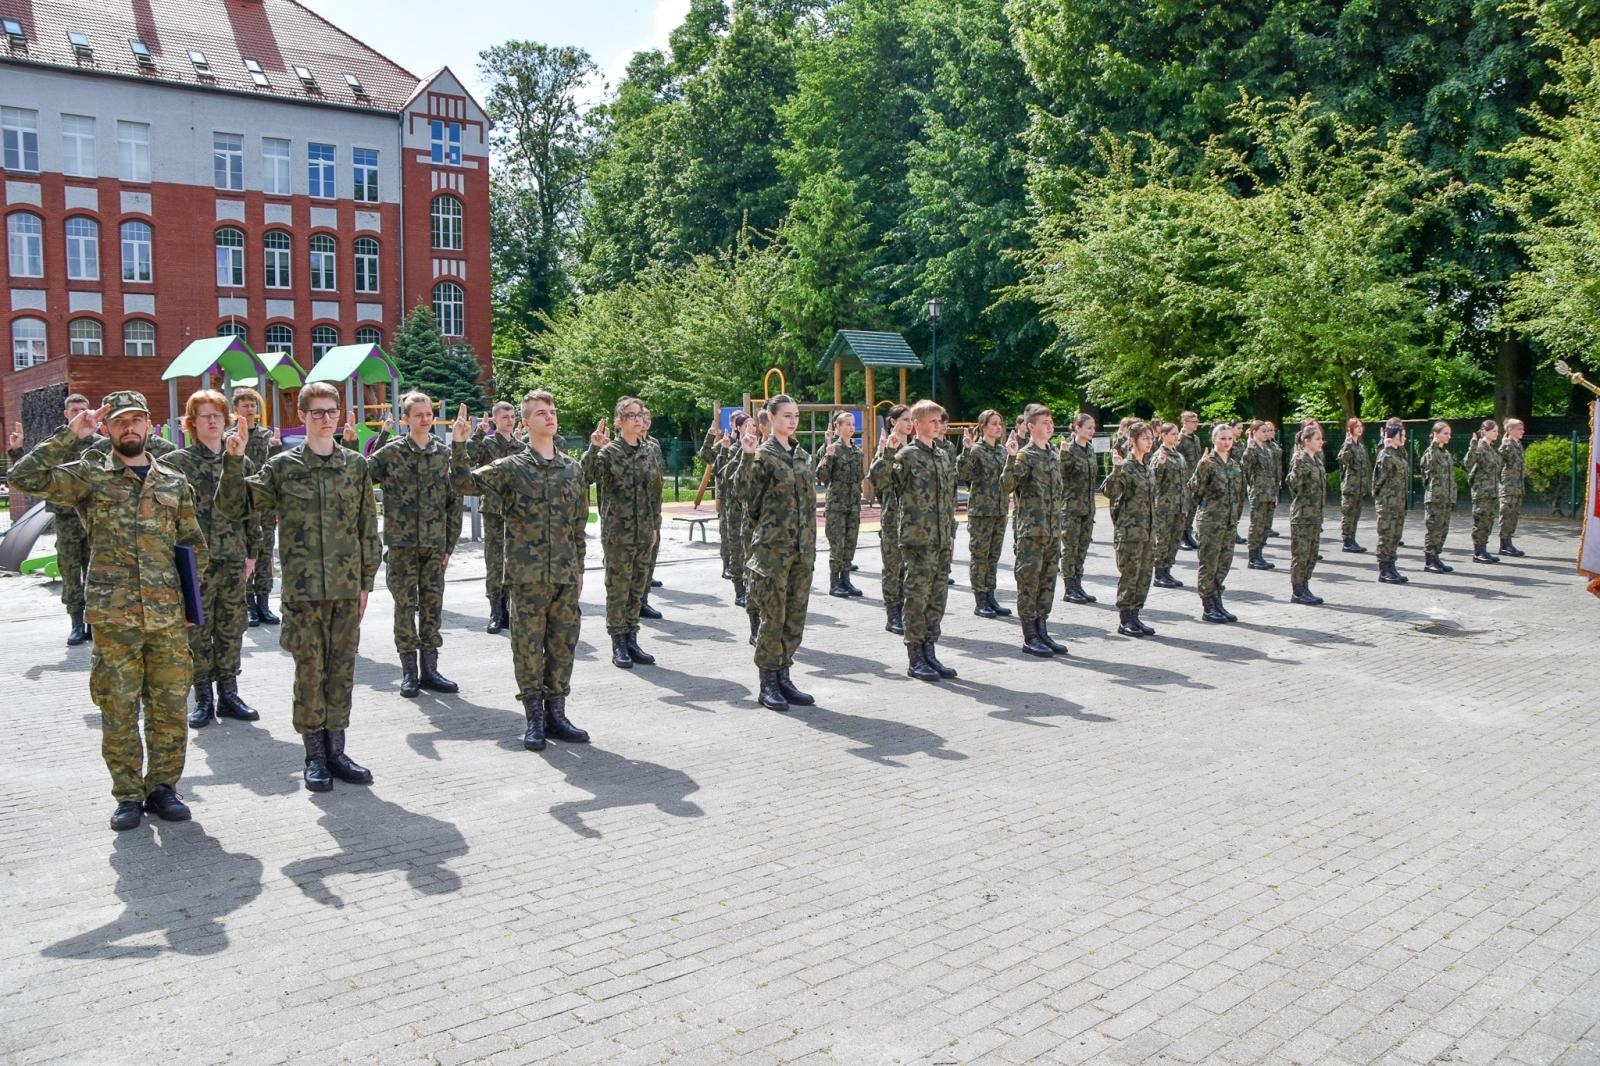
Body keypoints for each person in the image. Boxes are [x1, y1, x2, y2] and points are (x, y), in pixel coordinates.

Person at [11, 390, 206, 831]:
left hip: (167, 619)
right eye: (120, 422)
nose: (130, 428)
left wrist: (192, 603)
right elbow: (23, 477)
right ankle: (127, 795)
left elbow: (193, 547)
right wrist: (70, 434)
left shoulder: (174, 482)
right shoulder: (90, 477)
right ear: (107, 427)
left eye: (137, 420)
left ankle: (163, 788)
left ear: (149, 424)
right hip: (114, 617)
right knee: (118, 708)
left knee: (170, 708)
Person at [218, 381, 382, 793]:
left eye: (331, 412)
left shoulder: (355, 465)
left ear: (340, 415)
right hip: (304, 590)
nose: (325, 419)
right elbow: (235, 506)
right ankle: (314, 756)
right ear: (302, 417)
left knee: (342, 670)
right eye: (317, 413)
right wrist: (233, 462)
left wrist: (366, 582)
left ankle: (336, 750)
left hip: (346, 589)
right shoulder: (283, 466)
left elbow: (367, 526)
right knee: (310, 671)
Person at [451, 391, 590, 751]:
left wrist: (580, 567)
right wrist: (459, 445)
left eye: (553, 411)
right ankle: (534, 719)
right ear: (526, 424)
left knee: (562, 647)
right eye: (541, 413)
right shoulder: (513, 467)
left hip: (563, 574)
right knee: (527, 649)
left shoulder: (572, 469)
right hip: (526, 577)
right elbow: (464, 483)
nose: (549, 417)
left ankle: (557, 713)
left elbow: (578, 524)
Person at [164, 391, 261, 727]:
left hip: (233, 556)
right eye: (204, 416)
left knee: (232, 627)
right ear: (192, 423)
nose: (212, 421)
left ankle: (229, 694)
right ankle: (203, 697)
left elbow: (251, 512)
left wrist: (252, 553)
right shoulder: (178, 463)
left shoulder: (240, 460)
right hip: (195, 562)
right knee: (198, 629)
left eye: (218, 415)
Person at [368, 392, 463, 697]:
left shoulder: (443, 454)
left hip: (434, 546)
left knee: (433, 606)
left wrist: (449, 545)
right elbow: (362, 477)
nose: (425, 419)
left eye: (428, 414)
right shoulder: (392, 453)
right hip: (402, 546)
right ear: (405, 419)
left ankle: (431, 670)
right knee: (405, 607)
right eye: (418, 414)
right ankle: (409, 672)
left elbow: (454, 502)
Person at [738, 394, 818, 711]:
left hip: (802, 549)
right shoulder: (762, 456)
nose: (792, 420)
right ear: (771, 418)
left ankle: (784, 675)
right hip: (772, 551)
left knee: (795, 617)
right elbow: (746, 497)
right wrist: (745, 456)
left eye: (796, 415)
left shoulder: (803, 456)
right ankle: (768, 682)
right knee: (773, 618)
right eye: (786, 415)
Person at [7, 393, 95, 646]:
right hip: (66, 519)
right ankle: (76, 623)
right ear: (66, 414)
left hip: (93, 518)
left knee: (95, 571)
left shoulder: (99, 444)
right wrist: (17, 452)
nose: (79, 413)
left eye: (83, 409)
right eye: (74, 410)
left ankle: (93, 622)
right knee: (69, 571)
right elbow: (31, 470)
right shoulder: (56, 444)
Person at [583, 397, 664, 669]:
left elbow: (654, 492)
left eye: (640, 415)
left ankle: (632, 637)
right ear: (619, 422)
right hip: (618, 534)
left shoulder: (649, 451)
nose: (638, 419)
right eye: (631, 416)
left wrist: (654, 526)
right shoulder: (609, 453)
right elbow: (585, 477)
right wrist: (593, 449)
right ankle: (618, 642)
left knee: (637, 588)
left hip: (644, 532)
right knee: (618, 589)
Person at [884, 400, 959, 681]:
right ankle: (915, 657)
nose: (939, 426)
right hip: (918, 540)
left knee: (937, 598)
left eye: (940, 421)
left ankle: (930, 651)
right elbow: (882, 483)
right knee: (917, 598)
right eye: (933, 421)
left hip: (940, 539)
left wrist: (951, 533)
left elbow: (948, 499)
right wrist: (887, 452)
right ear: (917, 424)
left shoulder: (942, 455)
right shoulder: (906, 455)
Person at [1003, 404, 1069, 657]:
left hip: (1052, 532)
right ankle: (1030, 635)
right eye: (1044, 422)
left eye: (1051, 421)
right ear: (1031, 426)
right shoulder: (1025, 456)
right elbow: (1006, 486)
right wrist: (1010, 458)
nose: (1050, 425)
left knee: (1048, 582)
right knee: (1029, 583)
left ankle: (1042, 629)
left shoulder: (1053, 455)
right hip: (1031, 532)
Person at [470, 401, 527, 633]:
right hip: (494, 509)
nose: (509, 420)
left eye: (512, 416)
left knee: (514, 560)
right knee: (494, 561)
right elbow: (467, 458)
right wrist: (478, 433)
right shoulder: (487, 443)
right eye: (505, 416)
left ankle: (511, 609)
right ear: (495, 419)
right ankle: (496, 609)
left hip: (516, 511)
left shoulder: (521, 446)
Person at [229, 388, 283, 627]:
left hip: (265, 505)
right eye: (245, 405)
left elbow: (274, 469)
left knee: (265, 553)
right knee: (245, 553)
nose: (250, 410)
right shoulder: (228, 437)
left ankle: (264, 604)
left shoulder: (266, 435)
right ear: (235, 409)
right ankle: (248, 604)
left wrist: (276, 447)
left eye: (253, 405)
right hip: (241, 503)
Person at [1103, 420, 1157, 637]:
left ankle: (1136, 615)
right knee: (1130, 575)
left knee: (1144, 575)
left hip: (1147, 531)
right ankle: (1125, 619)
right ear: (1133, 441)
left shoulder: (1147, 466)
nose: (1150, 442)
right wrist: (1116, 469)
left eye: (1151, 438)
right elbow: (1109, 491)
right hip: (1129, 532)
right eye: (1145, 438)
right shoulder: (1126, 466)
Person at [1189, 423, 1246, 623]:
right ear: (1213, 440)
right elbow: (1194, 490)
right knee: (1209, 564)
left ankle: (1217, 600)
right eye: (1222, 438)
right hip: (1211, 522)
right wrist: (1201, 468)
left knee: (1224, 563)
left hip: (1229, 522)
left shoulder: (1234, 464)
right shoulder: (1207, 463)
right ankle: (1208, 605)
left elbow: (1239, 495)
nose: (1226, 442)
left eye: (1229, 438)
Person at [957, 410, 1011, 618]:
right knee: (980, 557)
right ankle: (980, 600)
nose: (998, 427)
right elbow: (965, 474)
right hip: (981, 511)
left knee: (993, 556)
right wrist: (966, 450)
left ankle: (991, 596)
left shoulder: (1002, 451)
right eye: (994, 424)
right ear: (983, 427)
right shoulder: (976, 450)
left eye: (1000, 423)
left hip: (999, 510)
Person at [868, 404, 914, 634]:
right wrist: (887, 453)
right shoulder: (886, 448)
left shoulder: (916, 448)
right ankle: (893, 614)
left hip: (914, 520)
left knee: (909, 569)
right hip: (893, 519)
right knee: (893, 568)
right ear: (893, 422)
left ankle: (906, 611)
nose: (909, 423)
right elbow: (877, 480)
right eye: (905, 419)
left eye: (911, 419)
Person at [815, 410, 865, 598]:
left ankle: (846, 580)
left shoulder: (856, 450)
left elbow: (860, 476)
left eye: (853, 425)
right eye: (847, 424)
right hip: (836, 505)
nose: (851, 428)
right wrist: (828, 457)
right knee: (837, 545)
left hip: (853, 505)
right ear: (837, 427)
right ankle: (834, 583)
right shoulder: (832, 449)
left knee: (850, 544)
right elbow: (821, 477)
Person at [1059, 413, 1098, 604]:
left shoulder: (1090, 449)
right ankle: (1069, 587)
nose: (1092, 431)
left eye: (1093, 427)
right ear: (1077, 428)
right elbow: (1061, 475)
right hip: (1071, 508)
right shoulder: (1068, 450)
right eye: (1089, 427)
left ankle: (1078, 583)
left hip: (1088, 507)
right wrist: (1064, 456)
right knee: (1070, 548)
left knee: (1082, 547)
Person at [1287, 423, 1327, 605]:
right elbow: (1293, 485)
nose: (1321, 442)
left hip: (1315, 516)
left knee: (1311, 554)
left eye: (1321, 438)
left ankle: (1305, 586)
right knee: (1301, 555)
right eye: (1317, 439)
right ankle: (1297, 591)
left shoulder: (1317, 460)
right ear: (1306, 441)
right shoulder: (1300, 459)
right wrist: (1296, 466)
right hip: (1302, 516)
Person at [1150, 421, 1189, 589]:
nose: (1176, 436)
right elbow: (1153, 480)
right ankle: (1159, 574)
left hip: (1179, 506)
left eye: (1177, 433)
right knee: (1163, 541)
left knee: (1174, 540)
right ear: (1163, 436)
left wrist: (1186, 504)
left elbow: (1184, 482)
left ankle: (1167, 570)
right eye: (1173, 433)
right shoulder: (1160, 455)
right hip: (1164, 506)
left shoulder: (1178, 455)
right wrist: (1160, 464)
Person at [1372, 419, 1410, 584]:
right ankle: (1384, 569)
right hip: (1387, 504)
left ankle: (1391, 565)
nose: (1405, 438)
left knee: (1395, 536)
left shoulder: (1398, 453)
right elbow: (1378, 480)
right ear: (1394, 436)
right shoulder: (1385, 455)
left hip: (1399, 503)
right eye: (1402, 435)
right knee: (1386, 536)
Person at [1243, 421, 1281, 570]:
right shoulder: (1251, 450)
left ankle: (1260, 553)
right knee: (1257, 525)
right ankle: (1253, 557)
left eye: (1267, 431)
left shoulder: (1267, 449)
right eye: (1263, 431)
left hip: (1270, 493)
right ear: (1254, 432)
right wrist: (1249, 448)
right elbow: (1245, 470)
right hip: (1258, 493)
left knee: (1266, 525)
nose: (1266, 433)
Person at [639, 405, 665, 617]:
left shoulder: (653, 444)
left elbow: (658, 475)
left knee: (651, 553)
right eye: (641, 417)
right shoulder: (619, 447)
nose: (645, 420)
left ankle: (644, 599)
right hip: (631, 517)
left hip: (653, 509)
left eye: (648, 417)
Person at [1465, 419, 1503, 564]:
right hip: (1481, 491)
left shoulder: (1492, 448)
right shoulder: (1480, 446)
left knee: (1488, 521)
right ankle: (1478, 552)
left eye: (1497, 431)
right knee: (1480, 521)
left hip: (1492, 491)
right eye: (1494, 431)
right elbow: (1468, 462)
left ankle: (1483, 549)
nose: (1497, 434)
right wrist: (1473, 444)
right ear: (1485, 431)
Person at [1421, 421, 1456, 574]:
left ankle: (1436, 556)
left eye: (1449, 433)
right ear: (1436, 434)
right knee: (1433, 529)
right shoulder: (1431, 452)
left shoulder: (1446, 453)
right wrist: (1434, 444)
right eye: (1445, 433)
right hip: (1435, 498)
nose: (1449, 436)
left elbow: (1451, 477)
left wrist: (1453, 497)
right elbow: (1427, 466)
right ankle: (1429, 560)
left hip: (1446, 498)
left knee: (1443, 529)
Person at [1338, 418, 1371, 553]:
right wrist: (1348, 445)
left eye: (1361, 426)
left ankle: (1352, 538)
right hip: (1350, 487)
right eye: (1356, 426)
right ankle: (1347, 541)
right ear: (1350, 429)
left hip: (1359, 487)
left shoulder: (1360, 446)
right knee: (1348, 514)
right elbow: (1343, 459)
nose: (1359, 428)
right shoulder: (1349, 444)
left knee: (1356, 514)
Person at [1498, 418, 1527, 557]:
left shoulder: (1518, 444)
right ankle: (1504, 544)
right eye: (1519, 429)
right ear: (1510, 430)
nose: (1523, 431)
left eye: (1522, 429)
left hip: (1517, 486)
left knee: (1514, 515)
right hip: (1508, 486)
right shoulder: (1507, 444)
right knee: (1506, 514)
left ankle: (1509, 542)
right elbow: (1499, 462)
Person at [1176, 411, 1203, 550]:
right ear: (1185, 423)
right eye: (1193, 421)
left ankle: (1187, 533)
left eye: (1197, 421)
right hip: (1184, 480)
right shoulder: (1179, 439)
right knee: (1184, 509)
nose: (1196, 423)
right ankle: (1180, 536)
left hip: (1195, 479)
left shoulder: (1196, 439)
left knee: (1192, 508)